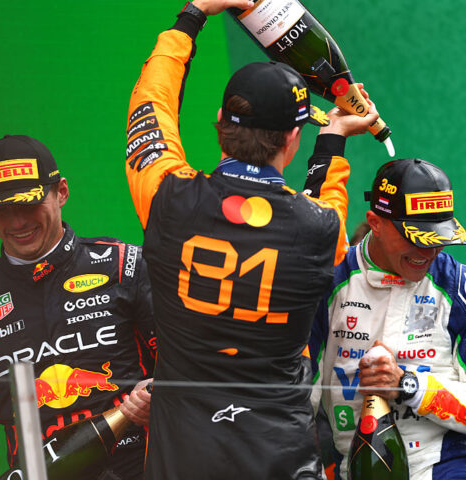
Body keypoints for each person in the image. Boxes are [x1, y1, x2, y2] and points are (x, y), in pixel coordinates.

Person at [124, 0, 379, 477]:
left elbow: (150, 106)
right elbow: (325, 200)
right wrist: (335, 135)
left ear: (220, 120)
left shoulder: (167, 197)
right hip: (281, 458)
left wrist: (193, 16)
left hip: (183, 460)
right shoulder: (321, 229)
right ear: (292, 139)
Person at [309, 158, 466, 479]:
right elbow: (294, 401)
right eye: (416, 237)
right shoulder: (328, 282)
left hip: (444, 469)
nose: (428, 252)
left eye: (438, 238)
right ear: (375, 223)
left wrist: (409, 386)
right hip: (349, 469)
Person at [0, 135, 156, 479]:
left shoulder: (125, 266)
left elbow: (185, 372)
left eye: (28, 204)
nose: (16, 223)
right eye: (1, 211)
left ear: (62, 192)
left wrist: (159, 400)